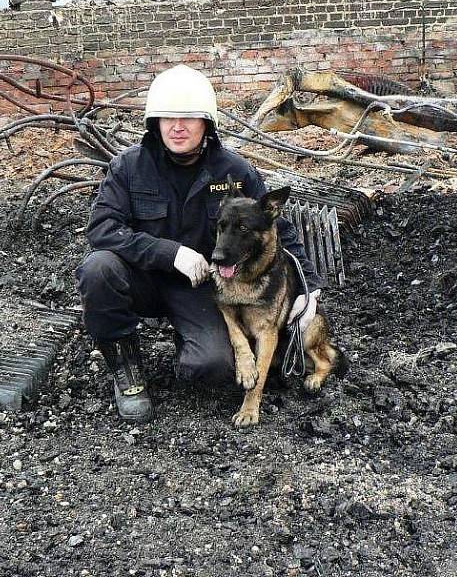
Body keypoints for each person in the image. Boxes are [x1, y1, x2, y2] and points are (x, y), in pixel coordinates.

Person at [76, 64, 324, 423]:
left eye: (189, 118)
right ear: (155, 123)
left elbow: (276, 231)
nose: (178, 127)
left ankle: (192, 338)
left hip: (201, 289)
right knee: (98, 268)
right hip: (141, 278)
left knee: (212, 368)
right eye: (168, 118)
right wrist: (168, 252)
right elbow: (101, 228)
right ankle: (126, 372)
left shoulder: (234, 171)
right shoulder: (128, 167)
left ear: (206, 123)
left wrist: (308, 290)